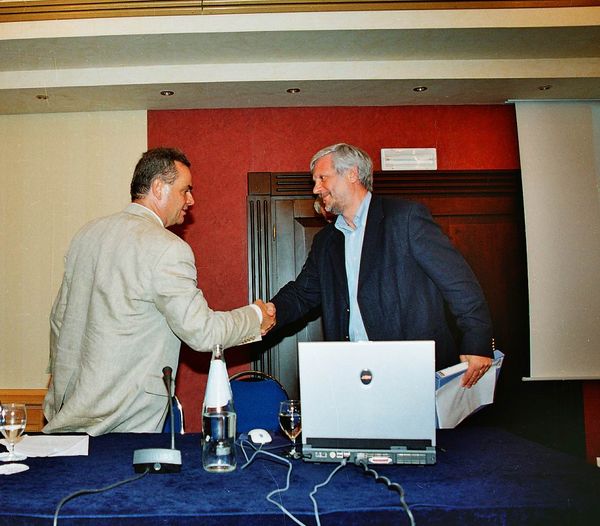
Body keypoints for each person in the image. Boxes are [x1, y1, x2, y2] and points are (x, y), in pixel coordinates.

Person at [44, 147, 275, 435]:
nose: (190, 200)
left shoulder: (85, 235)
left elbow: (59, 320)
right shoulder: (167, 248)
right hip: (122, 421)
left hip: (66, 413)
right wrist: (256, 317)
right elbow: (203, 332)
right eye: (185, 190)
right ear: (157, 188)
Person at [270, 143, 493, 387]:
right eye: (315, 181)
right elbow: (302, 294)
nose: (316, 188)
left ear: (352, 174)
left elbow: (459, 282)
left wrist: (477, 341)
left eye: (322, 178)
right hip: (353, 374)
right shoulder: (326, 241)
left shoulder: (405, 218)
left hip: (414, 371)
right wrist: (266, 313)